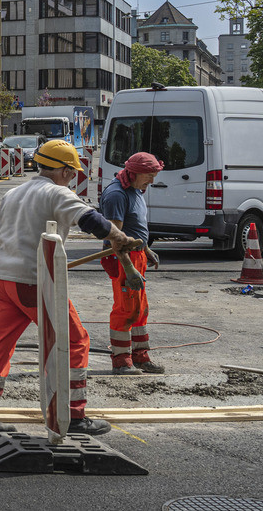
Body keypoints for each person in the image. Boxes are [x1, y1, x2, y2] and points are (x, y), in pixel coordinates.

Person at [0, 139, 143, 438]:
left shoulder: (12, 194)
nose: (72, 178)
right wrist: (119, 237)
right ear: (65, 171)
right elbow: (90, 220)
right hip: (35, 282)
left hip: (2, 282)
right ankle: (73, 415)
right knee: (75, 342)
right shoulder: (57, 193)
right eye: (72, 173)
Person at [99, 151, 165, 375]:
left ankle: (140, 357)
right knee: (126, 310)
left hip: (136, 255)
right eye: (149, 176)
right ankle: (121, 361)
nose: (152, 181)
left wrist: (145, 249)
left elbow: (134, 226)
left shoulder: (135, 189)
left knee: (140, 309)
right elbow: (115, 239)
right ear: (135, 172)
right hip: (122, 258)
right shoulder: (116, 195)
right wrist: (128, 268)